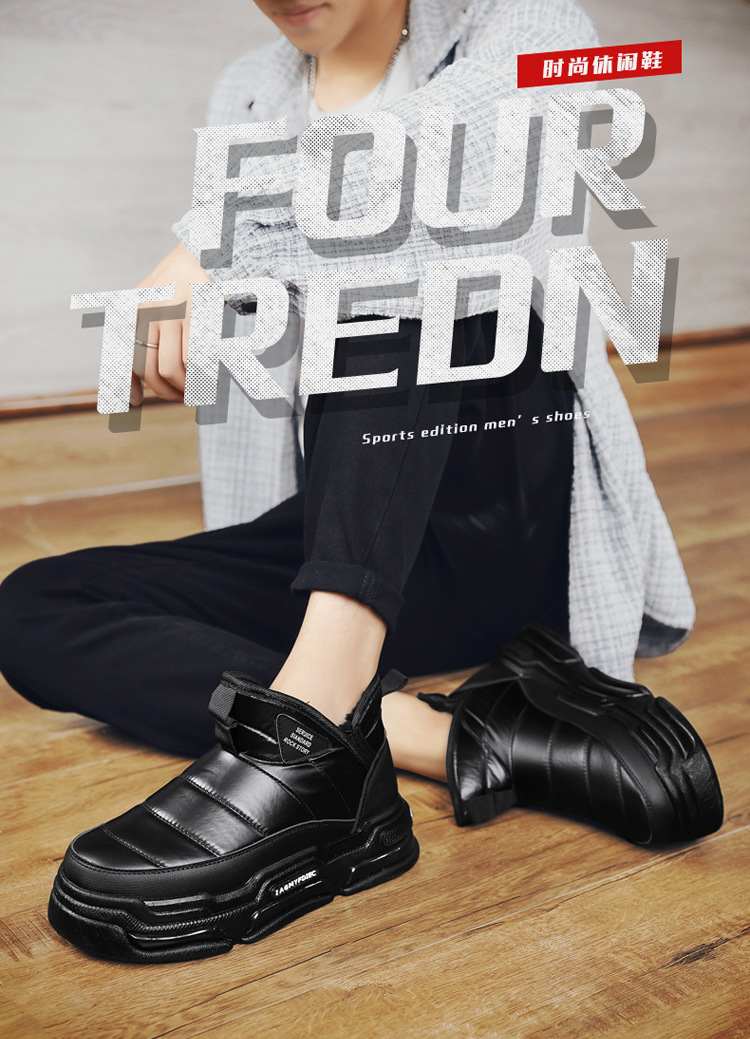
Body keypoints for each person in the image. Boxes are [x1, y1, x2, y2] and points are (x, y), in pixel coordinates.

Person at [0, 0, 722, 965]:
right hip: (361, 533)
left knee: (396, 246)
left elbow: (443, 166)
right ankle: (437, 734)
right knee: (36, 604)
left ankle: (319, 707)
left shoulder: (532, 26)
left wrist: (211, 241)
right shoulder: (248, 91)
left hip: (510, 503)